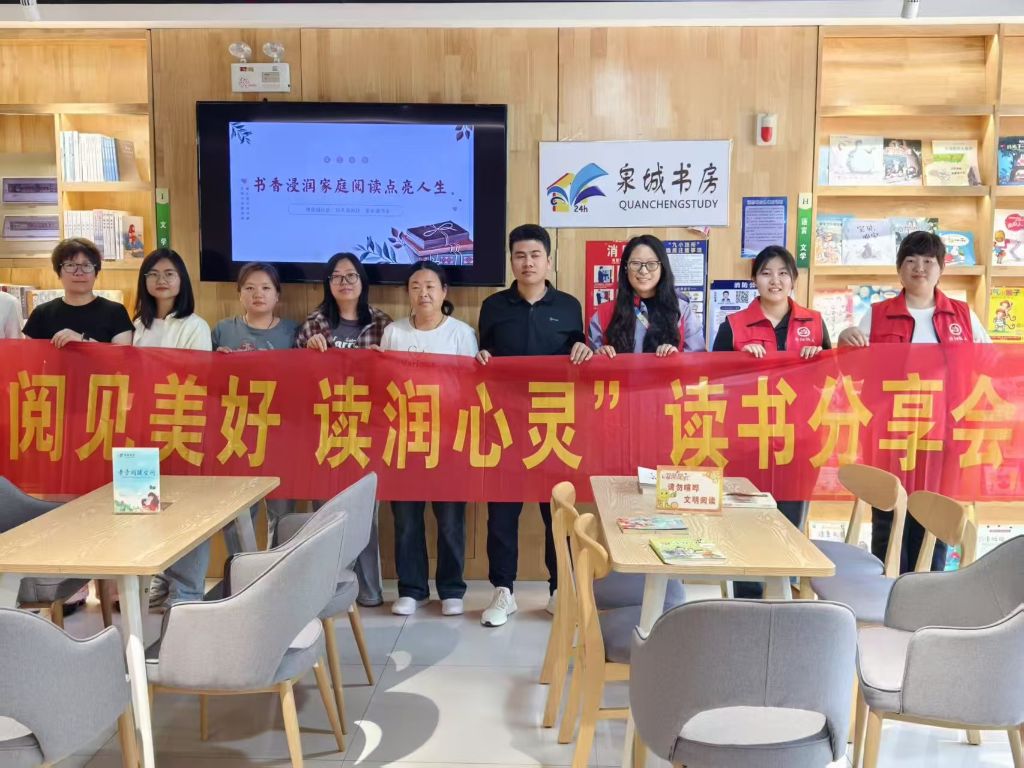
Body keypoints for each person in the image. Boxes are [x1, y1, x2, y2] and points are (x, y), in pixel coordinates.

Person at [838, 230, 991, 573]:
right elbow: (853, 372)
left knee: (935, 519)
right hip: (889, 434)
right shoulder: (877, 315)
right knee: (887, 515)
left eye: (928, 261)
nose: (919, 267)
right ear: (899, 269)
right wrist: (844, 342)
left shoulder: (963, 316)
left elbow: (990, 362)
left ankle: (925, 594)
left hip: (942, 437)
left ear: (941, 268)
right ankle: (885, 592)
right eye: (910, 260)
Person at [476, 223, 592, 627]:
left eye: (535, 255)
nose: (528, 263)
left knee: (556, 512)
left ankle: (559, 590)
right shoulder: (493, 306)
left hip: (553, 424)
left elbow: (580, 356)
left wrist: (583, 349)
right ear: (511, 261)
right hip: (506, 425)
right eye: (520, 255)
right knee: (501, 513)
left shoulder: (570, 305)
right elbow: (483, 357)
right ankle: (503, 591)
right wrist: (482, 358)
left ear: (548, 260)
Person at [712, 245, 828, 597]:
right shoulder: (733, 326)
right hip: (746, 441)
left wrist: (819, 359)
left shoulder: (815, 323)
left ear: (794, 280)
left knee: (789, 524)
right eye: (765, 273)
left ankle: (782, 600)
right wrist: (738, 361)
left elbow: (831, 380)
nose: (774, 280)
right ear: (754, 280)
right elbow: (713, 381)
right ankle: (746, 600)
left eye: (782, 273)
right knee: (745, 520)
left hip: (798, 441)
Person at [380, 261, 478, 616]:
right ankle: (412, 589)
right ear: (408, 292)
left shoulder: (461, 333)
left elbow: (471, 387)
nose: (423, 293)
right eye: (416, 286)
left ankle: (451, 589)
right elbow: (383, 384)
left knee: (450, 519)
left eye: (430, 286)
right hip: (405, 439)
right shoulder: (393, 332)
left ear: (443, 292)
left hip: (449, 439)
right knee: (406, 518)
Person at [297, 252, 393, 607]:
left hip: (368, 431)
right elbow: (293, 379)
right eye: (336, 276)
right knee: (325, 513)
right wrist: (307, 352)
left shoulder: (383, 324)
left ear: (362, 281)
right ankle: (327, 590)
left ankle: (369, 591)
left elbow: (398, 378)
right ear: (328, 283)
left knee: (365, 512)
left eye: (351, 275)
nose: (344, 282)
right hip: (324, 431)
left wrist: (386, 360)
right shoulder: (314, 324)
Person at [132, 248, 213, 608]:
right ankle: (156, 578)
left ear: (182, 281)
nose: (161, 280)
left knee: (188, 510)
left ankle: (187, 590)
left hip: (181, 427)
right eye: (153, 274)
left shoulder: (195, 325)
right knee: (144, 508)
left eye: (169, 273)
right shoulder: (136, 325)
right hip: (139, 430)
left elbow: (197, 379)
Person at [213, 262, 299, 548]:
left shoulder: (292, 332)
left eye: (265, 288)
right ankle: (240, 568)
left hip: (281, 434)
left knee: (282, 512)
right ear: (239, 294)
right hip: (236, 433)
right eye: (249, 288)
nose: (257, 294)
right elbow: (204, 381)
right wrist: (215, 360)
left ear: (277, 295)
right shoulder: (223, 330)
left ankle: (279, 569)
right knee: (237, 512)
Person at [588, 234, 705, 356]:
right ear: (625, 267)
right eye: (635, 263)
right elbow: (590, 362)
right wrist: (598, 356)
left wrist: (676, 358)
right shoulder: (603, 314)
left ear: (662, 268)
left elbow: (698, 361)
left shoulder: (682, 312)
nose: (643, 271)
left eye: (651, 264)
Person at [22, 238, 134, 345]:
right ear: (59, 273)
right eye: (70, 265)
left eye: (86, 265)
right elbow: (31, 356)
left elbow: (121, 356)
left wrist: (82, 340)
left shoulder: (116, 312)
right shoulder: (41, 314)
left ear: (96, 273)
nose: (79, 272)